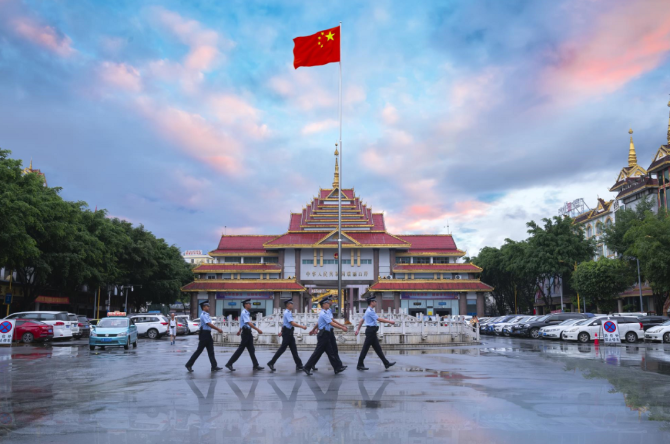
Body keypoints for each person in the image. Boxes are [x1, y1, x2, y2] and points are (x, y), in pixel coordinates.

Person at [302, 298, 347, 375]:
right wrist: (342, 327)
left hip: (326, 334)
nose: (328, 304)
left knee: (330, 352)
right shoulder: (323, 314)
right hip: (323, 335)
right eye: (327, 303)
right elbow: (332, 323)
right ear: (323, 305)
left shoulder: (325, 313)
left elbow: (322, 322)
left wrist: (313, 330)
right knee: (318, 352)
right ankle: (306, 367)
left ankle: (337, 368)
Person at [355, 296, 396, 370]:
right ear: (371, 302)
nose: (376, 303)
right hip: (370, 332)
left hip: (372, 332)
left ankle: (386, 363)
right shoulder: (370, 311)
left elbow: (361, 320)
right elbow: (379, 319)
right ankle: (359, 364)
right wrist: (390, 321)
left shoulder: (368, 310)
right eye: (375, 301)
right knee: (365, 349)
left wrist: (358, 329)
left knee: (378, 349)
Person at [267, 300, 307, 372]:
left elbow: (284, 324)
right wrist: (302, 327)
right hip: (287, 334)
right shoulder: (287, 313)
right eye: (291, 303)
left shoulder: (288, 312)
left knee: (294, 350)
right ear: (288, 305)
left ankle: (299, 365)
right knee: (282, 349)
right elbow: (292, 323)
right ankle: (271, 362)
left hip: (289, 333)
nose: (292, 304)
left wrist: (281, 332)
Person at [225, 299, 264, 371]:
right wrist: (257, 329)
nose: (250, 305)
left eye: (250, 303)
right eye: (248, 304)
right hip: (246, 333)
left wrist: (239, 330)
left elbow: (242, 323)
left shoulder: (246, 312)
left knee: (251, 350)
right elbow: (248, 323)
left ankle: (255, 365)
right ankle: (229, 363)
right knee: (240, 350)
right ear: (245, 305)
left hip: (247, 333)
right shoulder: (244, 312)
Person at [185, 301, 223, 372]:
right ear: (203, 307)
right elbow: (209, 324)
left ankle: (214, 366)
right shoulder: (203, 315)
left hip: (208, 334)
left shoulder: (207, 315)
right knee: (199, 351)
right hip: (204, 334)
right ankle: (188, 364)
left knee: (211, 351)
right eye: (207, 306)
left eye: (208, 306)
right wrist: (218, 329)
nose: (208, 307)